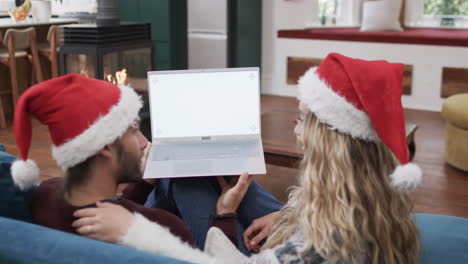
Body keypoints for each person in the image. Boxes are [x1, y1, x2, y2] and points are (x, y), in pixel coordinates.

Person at [74, 53, 423, 264]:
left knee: (186, 180)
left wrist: (224, 213)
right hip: (294, 226)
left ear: (329, 140)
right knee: (197, 177)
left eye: (301, 118)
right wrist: (288, 215)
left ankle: (156, 191)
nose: (294, 124)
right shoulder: (369, 198)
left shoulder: (321, 246)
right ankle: (159, 188)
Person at [9, 74, 256, 253]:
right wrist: (225, 214)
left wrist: (145, 183)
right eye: (134, 130)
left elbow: (114, 206)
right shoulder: (162, 229)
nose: (144, 142)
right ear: (105, 146)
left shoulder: (45, 195)